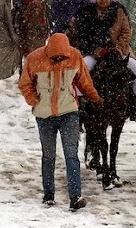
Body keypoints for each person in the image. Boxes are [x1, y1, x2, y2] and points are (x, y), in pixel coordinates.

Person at [19, 33, 103, 210]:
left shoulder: (75, 57)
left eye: (62, 57)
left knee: (71, 155)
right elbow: (25, 84)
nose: (59, 59)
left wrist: (95, 99)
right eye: (55, 57)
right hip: (44, 115)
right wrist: (34, 101)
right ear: (48, 51)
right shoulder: (34, 59)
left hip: (69, 112)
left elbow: (84, 82)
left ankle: (75, 196)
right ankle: (48, 194)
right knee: (48, 155)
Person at [72, 0, 136, 122]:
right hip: (95, 53)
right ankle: (80, 106)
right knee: (80, 70)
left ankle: (135, 108)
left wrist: (118, 48)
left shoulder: (119, 10)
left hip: (118, 52)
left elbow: (126, 31)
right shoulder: (86, 12)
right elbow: (82, 34)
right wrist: (95, 50)